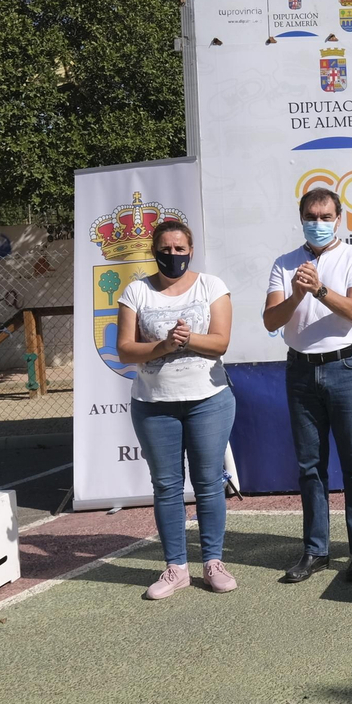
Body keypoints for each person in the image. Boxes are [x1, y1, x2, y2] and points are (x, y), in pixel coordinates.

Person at [115, 220, 237, 599]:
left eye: (179, 249)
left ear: (191, 250)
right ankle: (176, 568)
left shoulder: (211, 286)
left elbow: (220, 344)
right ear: (154, 251)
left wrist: (189, 339)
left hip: (209, 400)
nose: (172, 256)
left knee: (207, 483)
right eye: (165, 249)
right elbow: (124, 350)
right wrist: (165, 345)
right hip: (153, 405)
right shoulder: (136, 291)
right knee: (166, 486)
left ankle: (213, 562)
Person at [263, 188, 352, 583]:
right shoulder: (284, 264)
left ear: (339, 218)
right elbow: (271, 322)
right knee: (310, 467)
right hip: (300, 371)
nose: (319, 222)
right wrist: (296, 292)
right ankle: (316, 550)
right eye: (312, 215)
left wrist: (321, 290)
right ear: (301, 218)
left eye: (326, 216)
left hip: (346, 366)